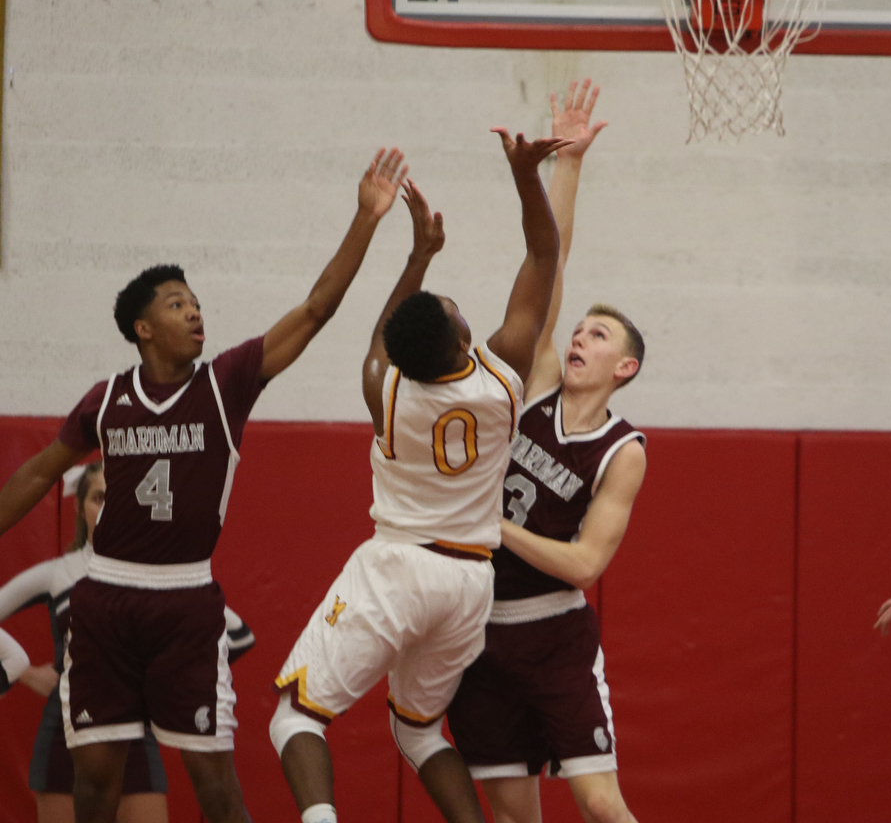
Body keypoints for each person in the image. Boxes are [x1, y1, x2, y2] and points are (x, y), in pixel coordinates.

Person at [0, 148, 408, 823]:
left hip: (185, 601)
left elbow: (314, 310)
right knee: (94, 785)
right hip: (104, 598)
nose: (195, 313)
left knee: (216, 788)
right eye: (177, 304)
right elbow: (41, 471)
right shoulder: (106, 400)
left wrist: (365, 219)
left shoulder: (225, 384)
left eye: (196, 302)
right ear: (143, 327)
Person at [269, 126, 569, 823]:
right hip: (469, 583)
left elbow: (379, 338)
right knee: (419, 729)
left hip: (400, 569)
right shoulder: (505, 375)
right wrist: (526, 176)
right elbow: (544, 252)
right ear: (464, 335)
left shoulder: (386, 390)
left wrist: (416, 258)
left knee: (295, 720)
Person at [447, 80, 647, 823]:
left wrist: (490, 525)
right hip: (478, 632)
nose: (577, 339)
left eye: (598, 336)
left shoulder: (623, 449)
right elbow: (549, 268)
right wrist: (569, 166)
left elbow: (586, 564)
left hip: (554, 636)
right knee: (510, 817)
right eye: (579, 331)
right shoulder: (531, 387)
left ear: (624, 368)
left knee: (600, 804)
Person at [0, 462, 255, 823]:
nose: (106, 508)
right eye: (98, 497)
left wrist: (165, 682)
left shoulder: (158, 572)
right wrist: (21, 669)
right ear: (79, 507)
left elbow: (240, 635)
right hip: (68, 731)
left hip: (136, 735)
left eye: (115, 497)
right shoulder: (58, 573)